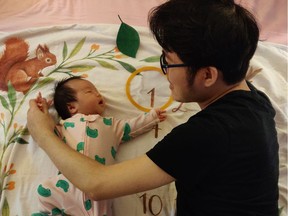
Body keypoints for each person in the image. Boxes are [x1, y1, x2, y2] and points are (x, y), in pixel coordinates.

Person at [27, 0, 279, 215]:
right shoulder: (258, 102)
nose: (165, 72)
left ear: (208, 75)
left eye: (168, 62)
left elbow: (96, 184)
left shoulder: (205, 135)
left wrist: (42, 132)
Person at [32, 76, 166, 215]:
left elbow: (132, 127)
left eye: (96, 91)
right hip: (70, 181)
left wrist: (152, 117)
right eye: (89, 91)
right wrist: (44, 111)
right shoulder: (63, 127)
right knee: (44, 190)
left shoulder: (112, 125)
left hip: (99, 184)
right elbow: (46, 132)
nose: (98, 94)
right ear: (72, 107)